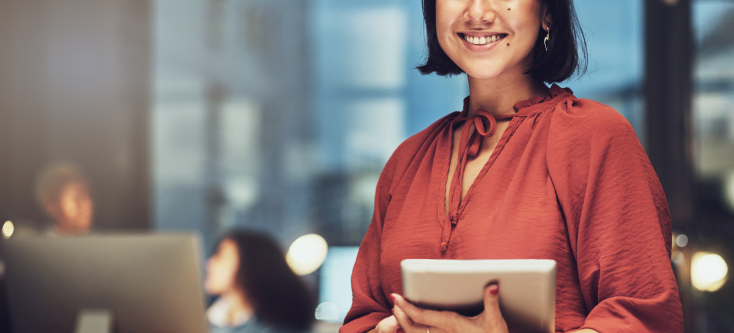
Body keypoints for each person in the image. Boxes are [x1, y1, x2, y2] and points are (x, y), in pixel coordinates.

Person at [341, 0, 684, 332]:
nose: (477, 12)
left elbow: (644, 319)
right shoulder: (407, 161)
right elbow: (363, 317)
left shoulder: (595, 138)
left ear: (548, 12)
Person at [204, 230, 316, 333]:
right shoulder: (208, 317)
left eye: (220, 256)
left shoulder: (279, 327)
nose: (209, 263)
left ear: (249, 265)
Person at [34, 162, 94, 236]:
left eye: (88, 196)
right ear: (52, 206)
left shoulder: (100, 243)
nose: (89, 204)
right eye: (77, 198)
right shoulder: (38, 244)